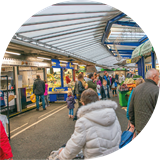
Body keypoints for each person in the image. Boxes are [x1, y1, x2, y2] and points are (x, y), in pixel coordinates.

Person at [58, 89, 122, 160]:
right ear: (98, 99)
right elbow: (119, 133)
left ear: (83, 103)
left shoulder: (83, 122)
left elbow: (73, 147)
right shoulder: (111, 114)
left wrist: (61, 155)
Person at [129, 68, 160, 135]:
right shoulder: (157, 90)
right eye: (158, 76)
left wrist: (132, 122)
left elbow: (131, 108)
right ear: (154, 76)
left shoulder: (136, 89)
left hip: (139, 126)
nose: (159, 79)